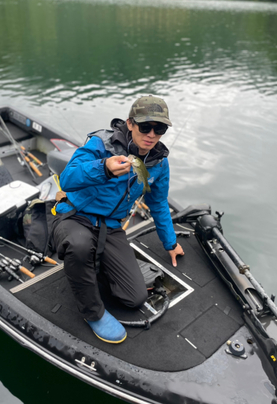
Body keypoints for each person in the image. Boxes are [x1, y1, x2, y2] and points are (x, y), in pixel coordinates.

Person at [51, 95, 184, 344]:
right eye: (145, 127)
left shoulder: (159, 163)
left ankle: (90, 266)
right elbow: (68, 178)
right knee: (79, 245)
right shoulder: (100, 143)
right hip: (75, 216)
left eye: (160, 129)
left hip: (111, 228)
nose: (152, 135)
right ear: (130, 123)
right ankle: (93, 313)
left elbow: (158, 204)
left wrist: (170, 243)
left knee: (134, 298)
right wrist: (104, 167)